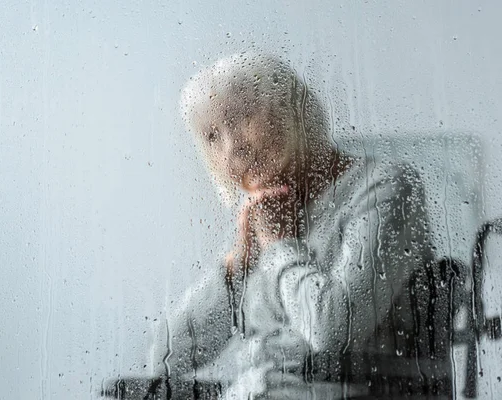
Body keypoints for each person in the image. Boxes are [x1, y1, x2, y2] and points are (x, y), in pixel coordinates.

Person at [105, 53, 453, 399]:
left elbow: (333, 333)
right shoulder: (271, 212)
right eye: (212, 136)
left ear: (290, 110)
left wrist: (278, 245)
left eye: (241, 117)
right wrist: (237, 265)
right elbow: (166, 359)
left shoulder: (383, 186)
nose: (231, 149)